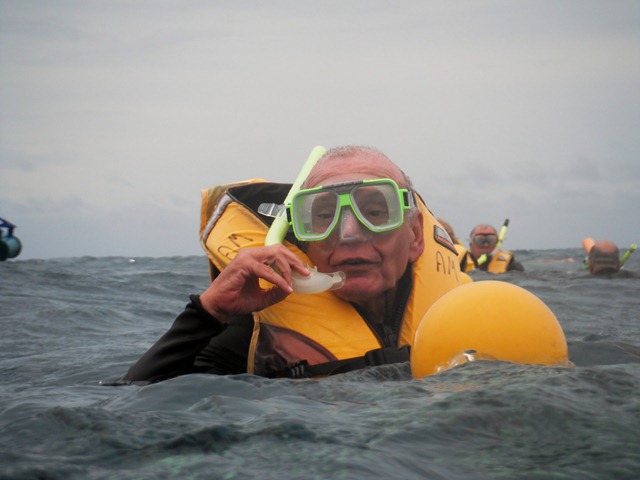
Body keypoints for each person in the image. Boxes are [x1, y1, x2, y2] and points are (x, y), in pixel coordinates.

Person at [115, 146, 463, 384]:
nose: (350, 233)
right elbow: (137, 400)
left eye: (375, 211)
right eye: (323, 216)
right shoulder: (259, 328)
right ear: (305, 241)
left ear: (415, 236)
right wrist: (208, 312)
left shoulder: (459, 308)